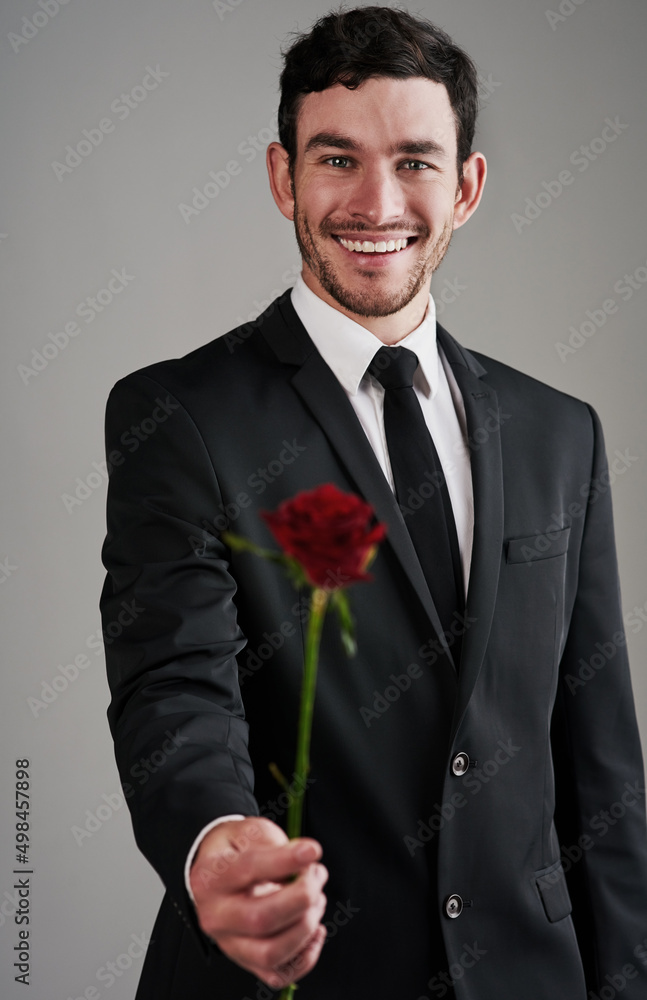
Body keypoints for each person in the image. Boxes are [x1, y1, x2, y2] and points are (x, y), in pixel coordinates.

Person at [99, 7, 647, 999]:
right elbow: (174, 689)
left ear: (467, 187)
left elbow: (599, 759)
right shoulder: (177, 416)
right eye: (336, 158)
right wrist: (214, 840)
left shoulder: (561, 431)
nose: (374, 201)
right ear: (282, 177)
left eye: (415, 161)